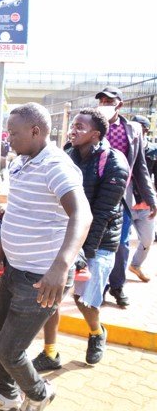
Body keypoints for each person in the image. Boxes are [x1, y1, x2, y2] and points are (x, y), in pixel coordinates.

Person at [0, 103, 92, 411]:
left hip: (41, 279)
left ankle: (40, 393)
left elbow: (83, 215)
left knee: (10, 350)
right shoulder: (20, 162)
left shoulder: (56, 166)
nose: (8, 137)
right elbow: (17, 210)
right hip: (15, 270)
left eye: (13, 132)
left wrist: (61, 267)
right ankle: (7, 395)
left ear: (35, 131)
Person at [33, 109, 129, 372]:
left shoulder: (114, 164)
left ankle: (97, 332)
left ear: (96, 134)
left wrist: (81, 255)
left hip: (100, 241)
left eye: (80, 127)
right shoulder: (66, 154)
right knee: (50, 293)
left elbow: (101, 215)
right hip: (68, 235)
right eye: (72, 126)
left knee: (83, 300)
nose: (73, 131)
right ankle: (50, 353)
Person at [96, 87, 157, 306]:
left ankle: (117, 286)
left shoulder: (132, 130)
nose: (104, 103)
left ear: (119, 104)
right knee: (96, 243)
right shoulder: (92, 125)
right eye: (101, 100)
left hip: (122, 198)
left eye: (108, 100)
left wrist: (150, 198)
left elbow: (140, 166)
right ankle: (98, 287)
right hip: (95, 197)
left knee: (121, 244)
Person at [126, 115, 156, 282]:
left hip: (146, 206)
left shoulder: (153, 150)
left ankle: (136, 265)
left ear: (145, 129)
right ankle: (114, 279)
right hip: (127, 205)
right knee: (119, 244)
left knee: (147, 240)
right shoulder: (125, 149)